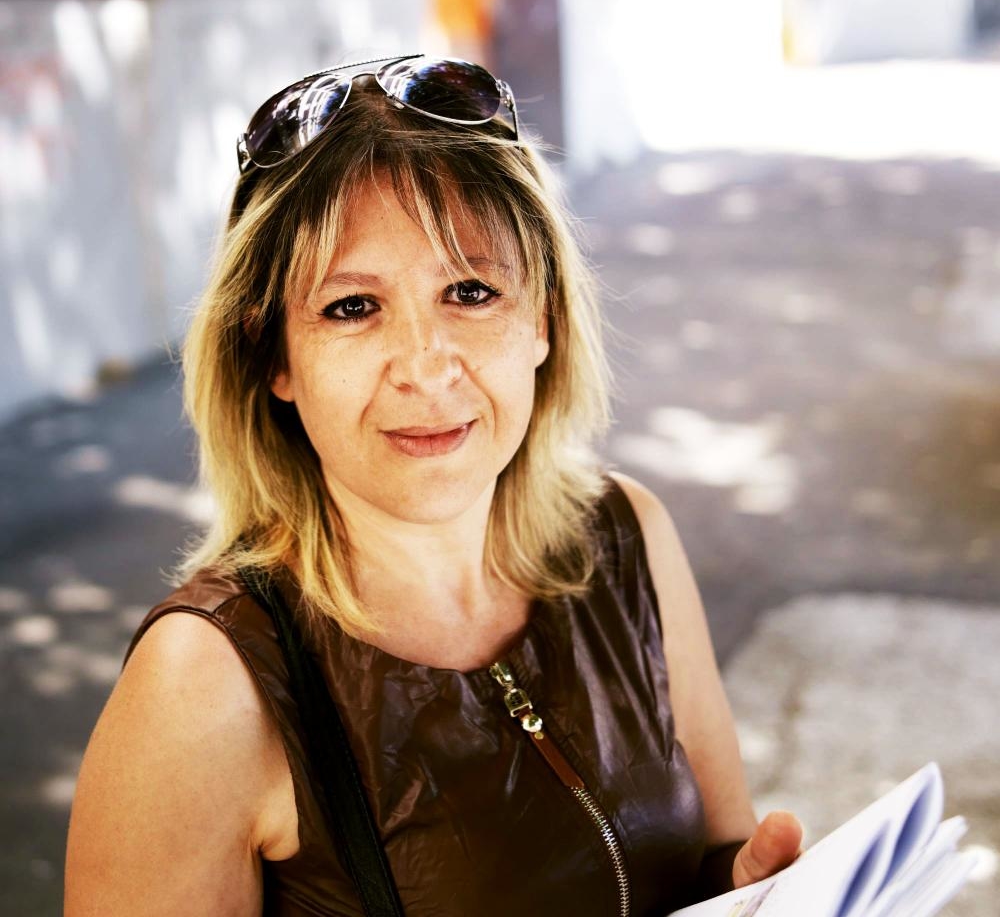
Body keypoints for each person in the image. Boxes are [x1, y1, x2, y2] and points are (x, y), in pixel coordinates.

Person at [64, 55, 802, 916]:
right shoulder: (201, 685)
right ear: (274, 357)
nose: (424, 365)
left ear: (542, 318)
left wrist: (745, 888)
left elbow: (713, 853)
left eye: (471, 291)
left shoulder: (626, 534)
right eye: (352, 307)